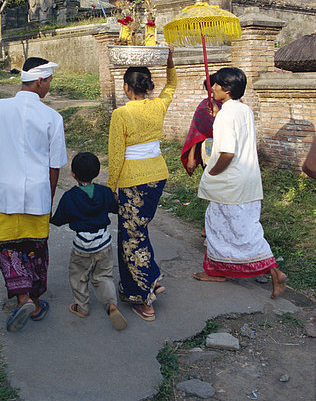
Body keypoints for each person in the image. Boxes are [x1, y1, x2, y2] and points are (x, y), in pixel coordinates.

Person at [0, 57, 67, 332]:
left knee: (7, 246)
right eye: (48, 82)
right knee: (36, 248)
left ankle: (22, 297)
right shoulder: (52, 117)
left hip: (5, 193)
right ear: (40, 81)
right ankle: (34, 301)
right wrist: (48, 198)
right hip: (37, 194)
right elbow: (54, 165)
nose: (48, 87)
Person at [193, 67, 287, 299]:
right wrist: (218, 116)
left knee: (241, 231)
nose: (212, 88)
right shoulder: (244, 109)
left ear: (226, 89)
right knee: (221, 224)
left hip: (230, 182)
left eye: (215, 84)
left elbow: (227, 153)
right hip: (247, 180)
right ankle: (217, 269)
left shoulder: (226, 115)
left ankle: (274, 271)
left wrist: (212, 173)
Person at [107, 46, 177, 321]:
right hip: (157, 175)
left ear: (126, 87)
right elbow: (172, 84)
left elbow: (115, 154)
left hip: (132, 180)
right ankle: (152, 277)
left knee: (130, 238)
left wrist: (111, 187)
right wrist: (170, 62)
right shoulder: (158, 105)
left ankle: (145, 299)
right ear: (148, 86)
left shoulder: (121, 114)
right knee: (139, 230)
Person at [50, 152, 127, 330]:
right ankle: (111, 305)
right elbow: (115, 209)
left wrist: (49, 217)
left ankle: (82, 307)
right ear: (97, 173)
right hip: (104, 242)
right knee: (103, 276)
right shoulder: (104, 192)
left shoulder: (69, 197)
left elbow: (59, 219)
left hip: (82, 244)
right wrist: (114, 199)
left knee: (78, 276)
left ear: (73, 174)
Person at [180, 74, 222, 177]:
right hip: (210, 151)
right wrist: (191, 157)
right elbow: (196, 132)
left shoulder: (235, 108)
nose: (212, 90)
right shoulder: (205, 106)